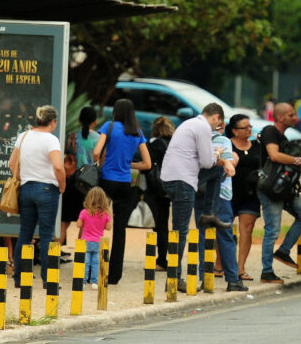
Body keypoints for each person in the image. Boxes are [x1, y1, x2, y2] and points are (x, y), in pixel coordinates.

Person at [160, 103, 235, 293]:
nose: (216, 129)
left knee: (218, 172)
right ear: (216, 117)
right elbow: (207, 161)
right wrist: (219, 154)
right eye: (217, 125)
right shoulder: (203, 127)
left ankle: (209, 213)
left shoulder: (189, 123)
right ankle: (175, 279)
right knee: (180, 232)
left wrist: (221, 161)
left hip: (172, 177)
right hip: (182, 181)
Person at [92, 98, 151, 285]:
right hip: (125, 184)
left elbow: (96, 151)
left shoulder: (109, 127)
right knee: (120, 229)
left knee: (95, 223)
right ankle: (115, 275)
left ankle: (92, 270)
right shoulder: (137, 132)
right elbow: (147, 163)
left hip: (107, 181)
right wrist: (128, 164)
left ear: (116, 111)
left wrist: (102, 162)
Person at [257, 102, 301, 284]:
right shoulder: (269, 131)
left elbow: (290, 164)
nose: (296, 118)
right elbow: (274, 156)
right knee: (272, 229)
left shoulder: (284, 137)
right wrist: (298, 160)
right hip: (270, 188)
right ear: (280, 117)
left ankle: (283, 251)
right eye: (291, 115)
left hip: (285, 188)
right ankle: (267, 272)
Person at [9, 105, 66, 288]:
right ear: (53, 122)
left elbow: (12, 163)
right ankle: (47, 280)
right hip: (47, 190)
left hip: (26, 189)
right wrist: (62, 185)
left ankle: (18, 277)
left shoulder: (23, 136)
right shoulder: (51, 140)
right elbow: (58, 166)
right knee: (46, 235)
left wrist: (22, 178)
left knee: (25, 234)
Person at [193, 121, 249, 292]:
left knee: (203, 236)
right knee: (225, 236)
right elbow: (229, 166)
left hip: (199, 193)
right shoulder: (224, 141)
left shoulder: (195, 140)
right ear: (222, 124)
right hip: (221, 196)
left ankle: (205, 279)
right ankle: (233, 280)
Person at [60, 107, 100, 256]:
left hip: (71, 183)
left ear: (79, 120)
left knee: (63, 221)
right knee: (86, 223)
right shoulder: (99, 138)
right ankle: (80, 257)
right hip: (89, 185)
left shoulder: (70, 137)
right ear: (95, 122)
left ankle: (54, 256)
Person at [227, 114, 261, 281]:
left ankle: (240, 268)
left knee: (246, 230)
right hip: (229, 193)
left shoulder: (256, 145)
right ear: (234, 131)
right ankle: (220, 265)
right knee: (224, 229)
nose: (249, 130)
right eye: (244, 127)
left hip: (251, 194)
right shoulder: (227, 145)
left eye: (250, 126)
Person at [144, 116, 175, 271]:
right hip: (168, 187)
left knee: (157, 225)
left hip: (154, 188)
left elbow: (147, 165)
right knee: (164, 224)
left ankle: (160, 259)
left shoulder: (153, 144)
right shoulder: (174, 144)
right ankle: (165, 258)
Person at [76, 187, 113, 290]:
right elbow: (108, 228)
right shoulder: (105, 214)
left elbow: (79, 225)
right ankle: (94, 282)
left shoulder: (84, 212)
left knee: (85, 262)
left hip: (86, 241)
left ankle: (83, 281)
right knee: (96, 263)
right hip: (98, 242)